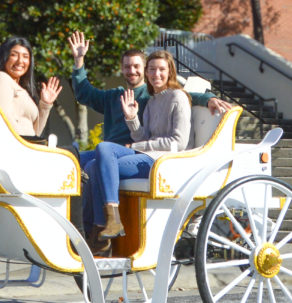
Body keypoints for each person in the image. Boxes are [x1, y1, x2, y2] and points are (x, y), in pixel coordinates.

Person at [67, 31, 232, 237]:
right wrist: (79, 59)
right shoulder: (120, 97)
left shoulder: (152, 94)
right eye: (127, 66)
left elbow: (182, 96)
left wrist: (208, 98)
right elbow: (84, 94)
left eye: (137, 66)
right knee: (72, 159)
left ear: (143, 69)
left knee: (99, 155)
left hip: (137, 154)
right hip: (117, 153)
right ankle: (90, 231)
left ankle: (102, 226)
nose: (132, 71)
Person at [86, 50, 193, 252]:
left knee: (100, 157)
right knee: (96, 159)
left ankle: (105, 224)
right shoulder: (152, 102)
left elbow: (178, 142)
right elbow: (144, 137)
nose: (156, 74)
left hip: (163, 163)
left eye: (162, 69)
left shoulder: (178, 97)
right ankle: (104, 225)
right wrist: (132, 118)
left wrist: (137, 147)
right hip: (147, 156)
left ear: (170, 71)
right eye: (152, 69)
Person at [0, 36, 62, 137]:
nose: (20, 61)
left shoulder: (22, 88)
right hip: (14, 149)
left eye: (25, 56)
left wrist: (45, 105)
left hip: (24, 149)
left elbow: (36, 133)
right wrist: (24, 145)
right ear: (4, 57)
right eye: (14, 55)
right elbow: (4, 118)